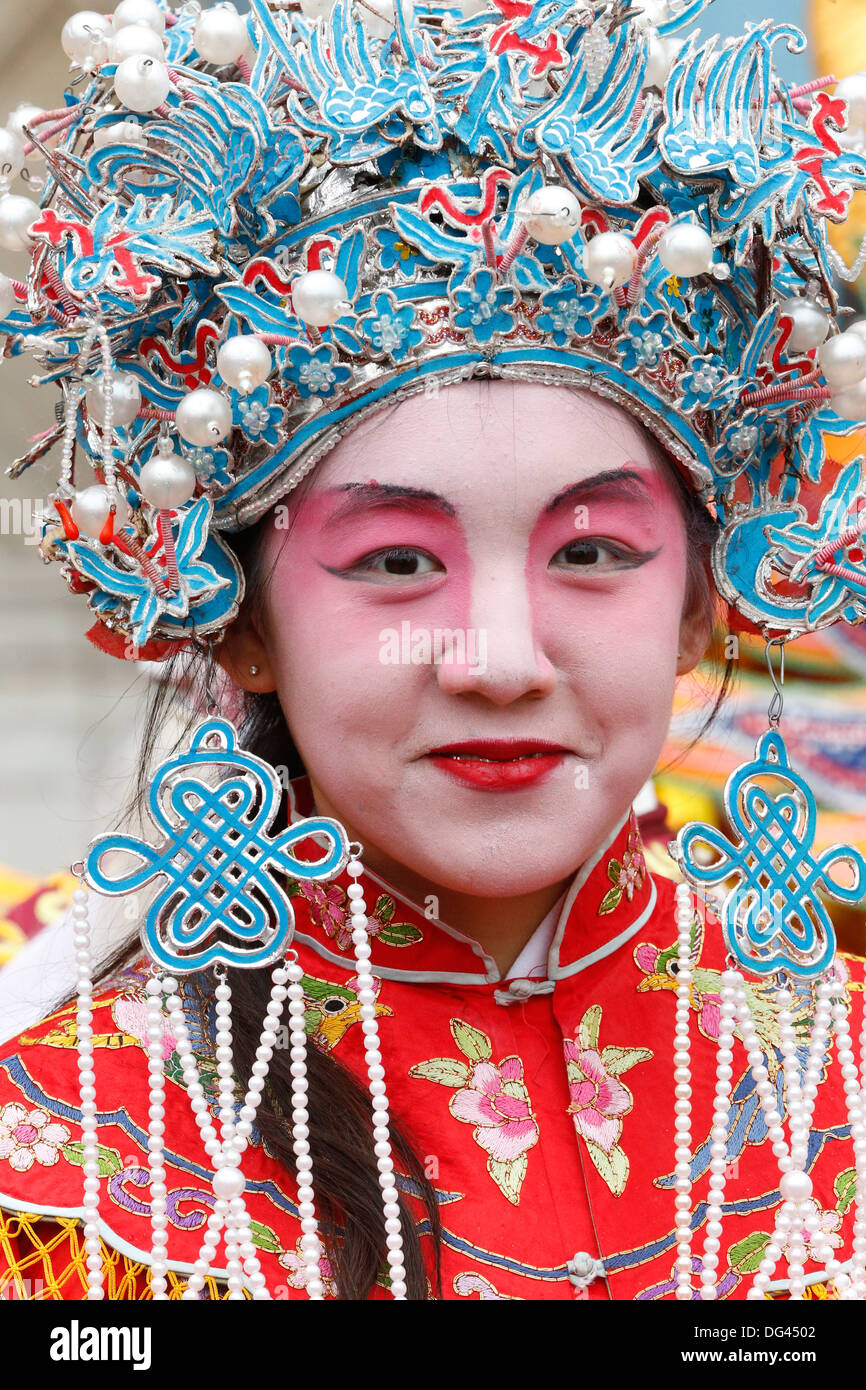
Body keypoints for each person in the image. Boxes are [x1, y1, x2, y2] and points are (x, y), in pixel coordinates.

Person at [0, 0, 865, 1302]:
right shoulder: (64, 1140)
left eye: (591, 553)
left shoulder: (837, 1069)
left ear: (700, 603)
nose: (500, 658)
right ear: (237, 620)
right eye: (397, 562)